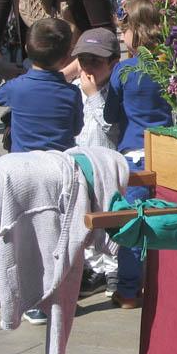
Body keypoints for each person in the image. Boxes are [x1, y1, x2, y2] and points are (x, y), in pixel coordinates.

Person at [104, 0, 173, 308]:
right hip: (168, 152)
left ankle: (129, 290)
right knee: (166, 221)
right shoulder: (170, 66)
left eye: (123, 30)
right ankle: (166, 285)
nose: (122, 37)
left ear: (135, 30)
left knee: (132, 222)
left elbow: (110, 114)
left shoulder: (123, 71)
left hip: (133, 153)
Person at [70, 27, 122, 298]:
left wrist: (93, 95)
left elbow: (111, 126)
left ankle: (113, 270)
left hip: (106, 163)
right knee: (84, 217)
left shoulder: (114, 88)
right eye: (84, 60)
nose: (88, 67)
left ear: (113, 63)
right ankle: (94, 269)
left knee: (107, 218)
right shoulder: (75, 88)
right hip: (81, 159)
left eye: (96, 61)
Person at [0, 18, 83, 152]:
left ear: (27, 49)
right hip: (59, 161)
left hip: (23, 160)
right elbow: (76, 129)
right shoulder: (72, 92)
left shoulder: (16, 87)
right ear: (66, 57)